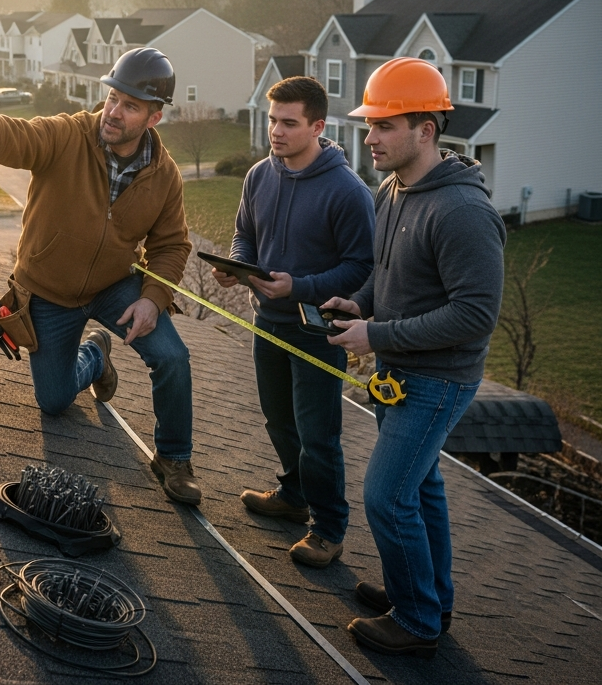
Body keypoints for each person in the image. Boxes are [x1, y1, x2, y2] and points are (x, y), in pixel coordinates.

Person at [0, 48, 200, 504]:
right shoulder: (67, 136)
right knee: (54, 401)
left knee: (173, 356)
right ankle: (96, 356)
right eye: (112, 97)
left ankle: (175, 458)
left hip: (113, 287)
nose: (114, 112)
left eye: (130, 105)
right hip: (49, 292)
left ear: (154, 118)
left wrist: (153, 298)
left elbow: (171, 246)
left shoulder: (165, 177)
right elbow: (15, 136)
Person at [323, 56, 506, 657]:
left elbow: (475, 316)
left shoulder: (463, 212)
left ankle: (419, 620)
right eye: (369, 125)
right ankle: (429, 594)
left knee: (386, 495)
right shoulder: (393, 189)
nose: (368, 137)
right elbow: (388, 274)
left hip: (438, 380)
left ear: (425, 130)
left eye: (383, 126)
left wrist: (377, 335)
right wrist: (358, 305)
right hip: (399, 371)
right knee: (420, 488)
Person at [212, 76, 374, 567]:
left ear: (318, 127)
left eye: (288, 123)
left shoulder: (348, 192)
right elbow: (245, 234)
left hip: (317, 332)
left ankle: (328, 529)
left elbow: (361, 268)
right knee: (278, 419)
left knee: (317, 434)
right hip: (268, 322)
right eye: (271, 120)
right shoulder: (260, 174)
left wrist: (298, 286)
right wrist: (237, 269)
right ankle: (293, 495)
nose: (276, 132)